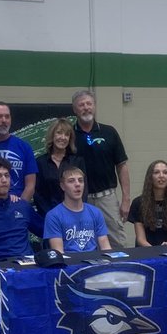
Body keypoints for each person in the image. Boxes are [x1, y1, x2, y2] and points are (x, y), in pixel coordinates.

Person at [71, 89, 130, 249]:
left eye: (89, 104)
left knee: (117, 243)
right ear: (75, 109)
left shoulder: (109, 132)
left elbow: (122, 165)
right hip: (81, 200)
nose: (86, 108)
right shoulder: (70, 135)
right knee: (83, 244)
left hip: (107, 198)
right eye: (81, 105)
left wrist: (126, 199)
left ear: (95, 106)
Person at [44, 167, 110, 253]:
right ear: (62, 186)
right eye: (71, 181)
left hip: (94, 262)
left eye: (80, 180)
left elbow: (106, 247)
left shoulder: (95, 212)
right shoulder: (53, 216)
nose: (77, 184)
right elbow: (58, 252)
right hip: (69, 263)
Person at [128, 160, 167, 246]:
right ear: (150, 177)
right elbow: (140, 239)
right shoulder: (138, 203)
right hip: (149, 252)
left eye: (165, 173)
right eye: (156, 172)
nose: (161, 176)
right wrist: (157, 250)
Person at [34, 118, 87, 216]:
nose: (63, 137)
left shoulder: (77, 161)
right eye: (59, 133)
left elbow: (83, 191)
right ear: (52, 135)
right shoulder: (40, 162)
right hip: (48, 216)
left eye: (67, 134)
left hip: (74, 216)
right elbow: (37, 194)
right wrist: (51, 215)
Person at [0, 102, 36, 201]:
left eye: (7, 116)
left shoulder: (24, 147)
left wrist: (19, 207)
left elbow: (30, 186)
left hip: (18, 205)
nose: (4, 120)